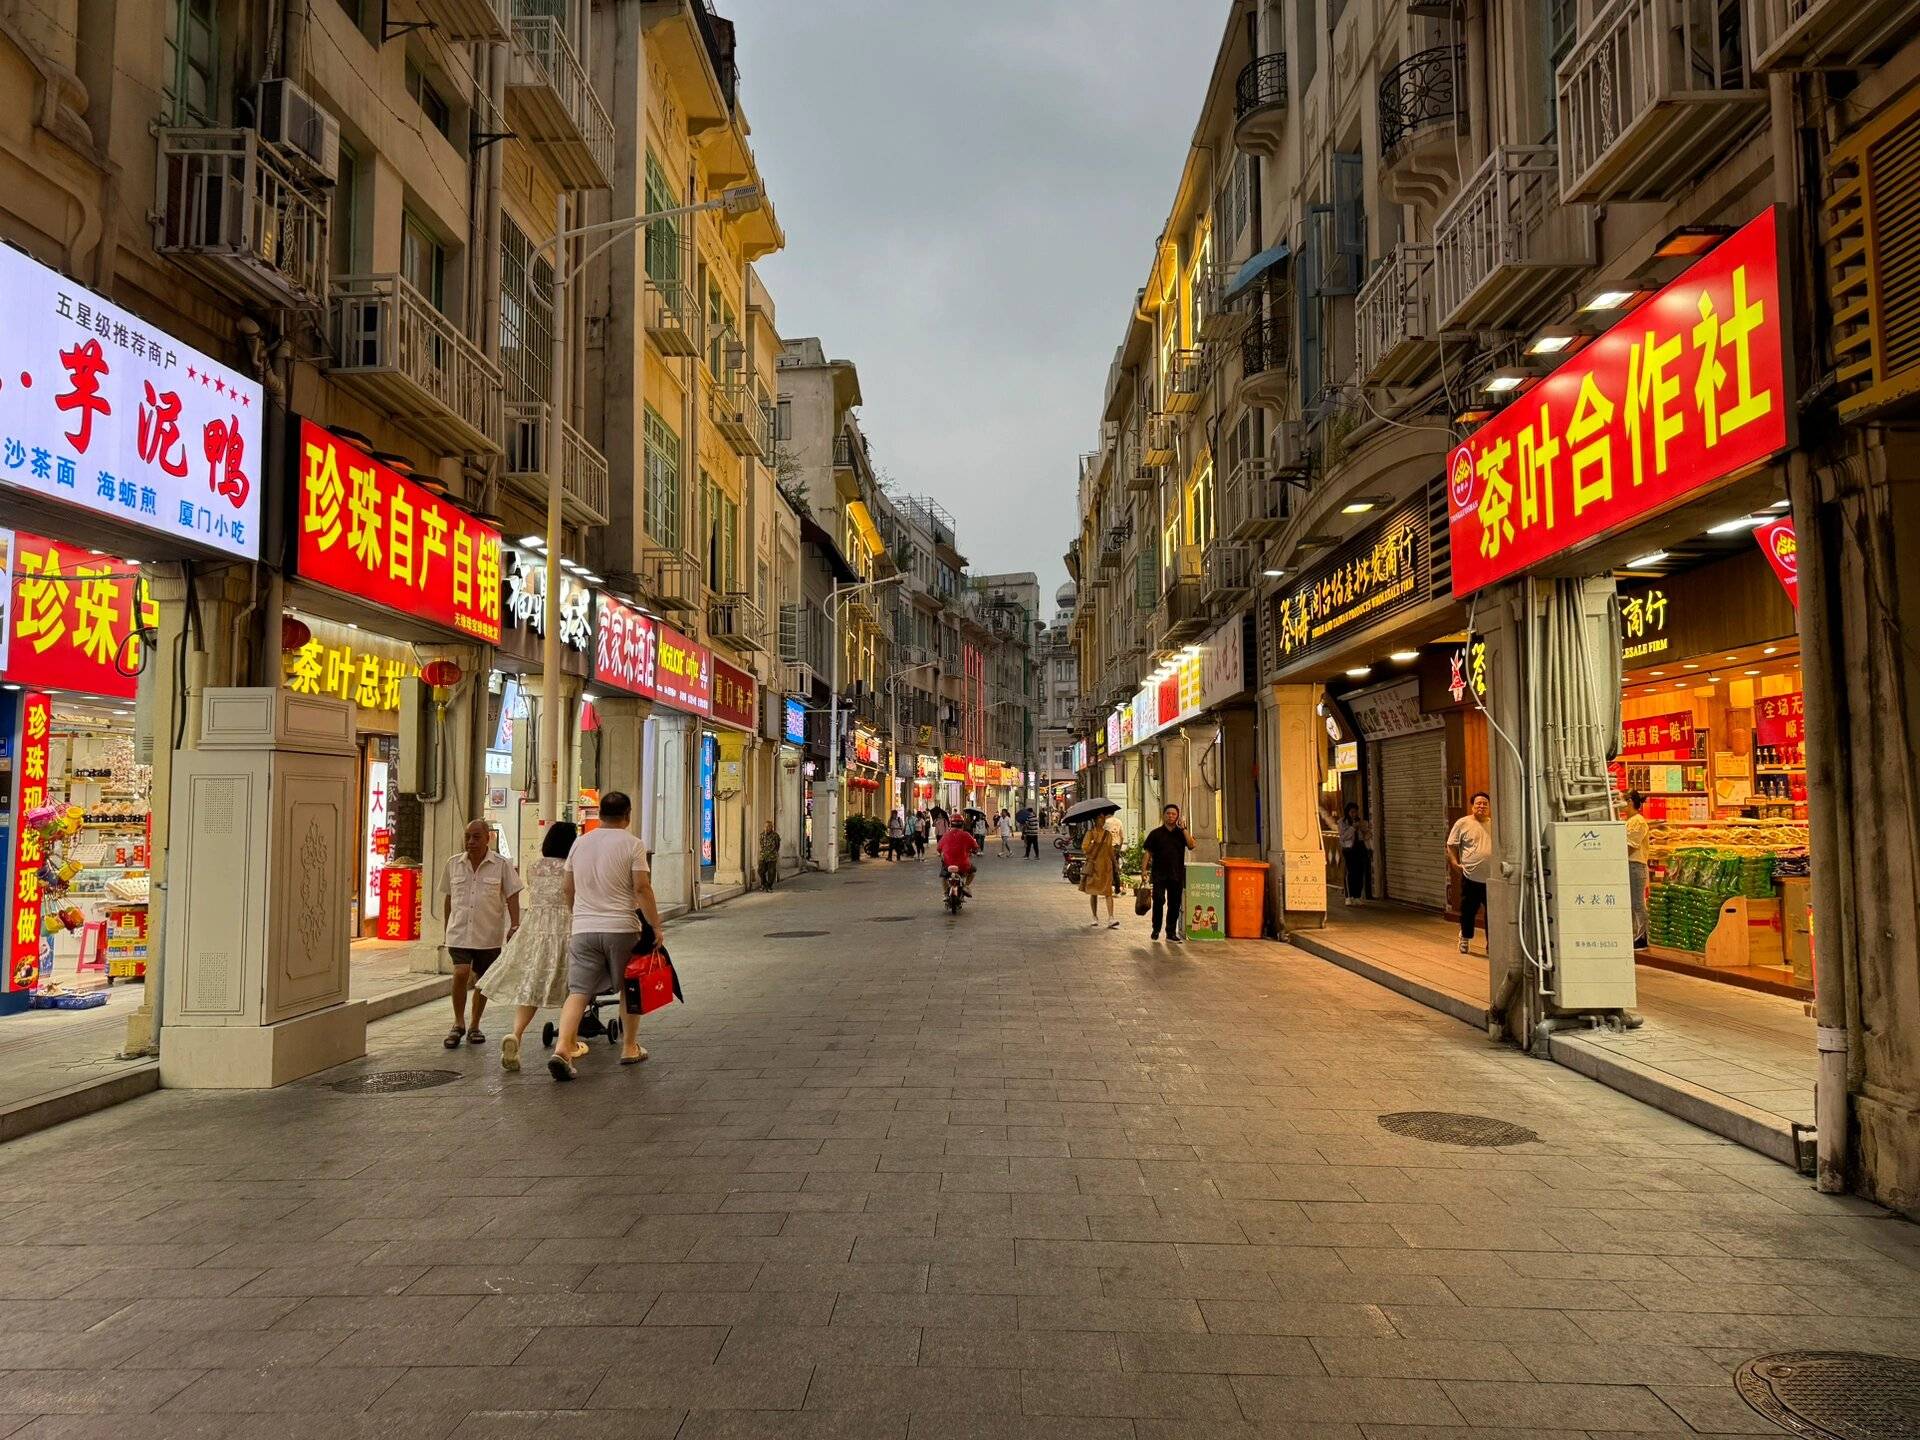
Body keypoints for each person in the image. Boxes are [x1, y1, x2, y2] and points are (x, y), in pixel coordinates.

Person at [551, 790, 659, 1081]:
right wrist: (656, 925)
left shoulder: (579, 844)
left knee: (579, 991)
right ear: (628, 814)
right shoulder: (633, 844)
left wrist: (579, 916)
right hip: (622, 928)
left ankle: (562, 1048)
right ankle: (629, 1047)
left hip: (584, 928)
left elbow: (567, 888)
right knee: (629, 987)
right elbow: (641, 888)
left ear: (600, 814)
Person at [478, 822, 577, 1072]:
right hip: (566, 927)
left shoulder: (535, 867)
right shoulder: (571, 866)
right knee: (574, 987)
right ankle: (567, 1046)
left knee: (530, 988)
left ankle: (516, 1035)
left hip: (534, 929)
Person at [441, 820, 522, 1050]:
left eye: (476, 837)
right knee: (461, 972)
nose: (471, 842)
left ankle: (475, 1025)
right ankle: (458, 1023)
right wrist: (447, 929)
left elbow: (512, 895)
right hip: (459, 932)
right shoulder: (453, 864)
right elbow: (448, 898)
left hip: (488, 934)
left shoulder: (501, 865)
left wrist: (514, 925)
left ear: (488, 838)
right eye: (467, 837)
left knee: (482, 981)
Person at [1446, 792, 1495, 955]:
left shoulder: (1494, 824)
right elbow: (1451, 845)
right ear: (1472, 806)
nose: (1482, 806)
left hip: (1492, 878)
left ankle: (1492, 945)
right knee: (1468, 911)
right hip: (1470, 876)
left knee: (1493, 913)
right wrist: (1454, 863)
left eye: (1485, 804)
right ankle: (1465, 937)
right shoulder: (1463, 823)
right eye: (1478, 803)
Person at [1142, 803, 1198, 941]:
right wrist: (1144, 870)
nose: (1171, 816)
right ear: (1163, 815)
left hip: (1176, 874)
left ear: (1177, 816)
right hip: (1159, 874)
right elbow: (1147, 853)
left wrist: (1184, 829)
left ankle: (1170, 932)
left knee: (1174, 904)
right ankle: (1156, 929)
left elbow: (1191, 845)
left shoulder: (1181, 834)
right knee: (1159, 900)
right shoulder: (1155, 834)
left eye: (1173, 814)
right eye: (1168, 813)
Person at [1079, 812, 1121, 928]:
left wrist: (1115, 863)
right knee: (1093, 892)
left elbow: (1110, 850)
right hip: (1094, 867)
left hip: (1106, 867)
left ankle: (1111, 917)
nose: (1102, 821)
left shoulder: (1108, 834)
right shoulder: (1090, 833)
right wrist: (1093, 843)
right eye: (1099, 818)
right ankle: (1094, 916)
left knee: (1108, 892)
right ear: (1095, 820)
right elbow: (1085, 849)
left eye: (1103, 818)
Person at [1624, 790, 1650, 949]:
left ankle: (1643, 936)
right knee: (1633, 903)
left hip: (1635, 865)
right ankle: (1637, 935)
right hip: (1631, 865)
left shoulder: (1637, 821)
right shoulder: (1630, 821)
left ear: (1630, 802)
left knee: (1637, 902)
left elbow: (1630, 844)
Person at [1339, 803, 1372, 906]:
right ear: (1348, 812)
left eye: (1356, 811)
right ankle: (1348, 896)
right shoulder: (1342, 822)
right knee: (1350, 872)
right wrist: (1353, 828)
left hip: (1360, 847)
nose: (1354, 814)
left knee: (1360, 871)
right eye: (1352, 812)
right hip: (1349, 849)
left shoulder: (1361, 821)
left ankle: (1357, 896)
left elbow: (1368, 834)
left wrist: (1365, 830)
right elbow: (1343, 837)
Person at [937, 817, 979, 895]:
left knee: (943, 877)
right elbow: (976, 847)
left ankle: (946, 893)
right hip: (963, 865)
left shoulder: (946, 835)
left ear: (950, 824)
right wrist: (974, 851)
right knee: (972, 872)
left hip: (948, 864)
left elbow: (939, 848)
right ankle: (965, 886)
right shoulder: (966, 835)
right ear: (962, 825)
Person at [758, 818, 781, 891]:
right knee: (760, 871)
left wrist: (774, 852)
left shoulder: (775, 836)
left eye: (768, 827)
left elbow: (777, 845)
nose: (767, 828)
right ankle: (764, 884)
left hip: (772, 857)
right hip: (763, 856)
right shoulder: (762, 835)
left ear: (772, 827)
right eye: (765, 826)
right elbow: (761, 844)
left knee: (771, 872)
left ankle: (769, 885)